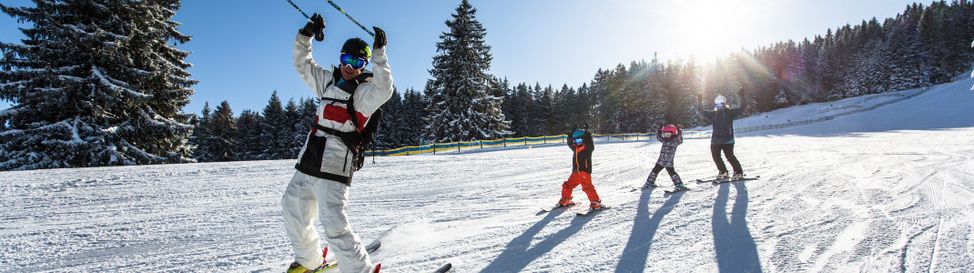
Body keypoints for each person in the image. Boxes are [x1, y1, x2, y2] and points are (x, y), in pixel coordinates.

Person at [283, 13, 392, 273]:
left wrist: (379, 53)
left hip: (335, 165)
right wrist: (306, 35)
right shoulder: (327, 81)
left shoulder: (365, 93)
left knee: (333, 223)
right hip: (309, 159)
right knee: (292, 208)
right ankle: (309, 260)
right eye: (346, 59)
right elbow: (302, 64)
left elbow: (385, 89)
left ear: (363, 64)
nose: (350, 66)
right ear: (340, 58)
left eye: (357, 62)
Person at [697, 94, 746, 181]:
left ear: (724, 104)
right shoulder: (713, 114)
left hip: (728, 139)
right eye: (717, 105)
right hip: (715, 140)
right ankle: (723, 172)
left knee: (730, 156)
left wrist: (742, 96)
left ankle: (738, 172)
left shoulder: (730, 112)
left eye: (721, 104)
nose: (719, 107)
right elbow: (702, 111)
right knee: (715, 156)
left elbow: (742, 108)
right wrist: (699, 101)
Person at [557, 128, 605, 210]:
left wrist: (588, 134)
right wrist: (570, 136)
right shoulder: (575, 148)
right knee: (567, 185)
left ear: (584, 139)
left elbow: (590, 143)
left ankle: (595, 202)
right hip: (576, 172)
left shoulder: (587, 148)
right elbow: (570, 144)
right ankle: (565, 199)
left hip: (584, 172)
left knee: (587, 187)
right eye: (576, 141)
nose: (578, 143)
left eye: (580, 140)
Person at [643, 124, 686, 190]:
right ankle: (650, 182)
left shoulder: (675, 141)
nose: (666, 136)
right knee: (654, 171)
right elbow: (659, 137)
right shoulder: (664, 140)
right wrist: (660, 130)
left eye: (668, 134)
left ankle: (679, 185)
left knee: (672, 173)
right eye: (665, 134)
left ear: (673, 134)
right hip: (660, 161)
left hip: (668, 162)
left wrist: (679, 131)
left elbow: (680, 140)